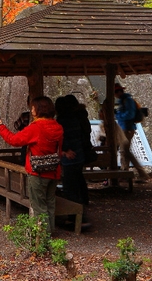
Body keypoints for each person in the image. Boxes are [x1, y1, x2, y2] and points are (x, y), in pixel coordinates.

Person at [0, 96, 63, 232]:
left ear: (38, 110)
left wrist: (1, 127)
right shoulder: (58, 127)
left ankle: (43, 238)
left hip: (37, 172)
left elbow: (14, 140)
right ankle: (51, 233)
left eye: (33, 108)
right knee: (50, 203)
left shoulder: (36, 128)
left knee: (38, 206)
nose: (31, 111)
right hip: (54, 170)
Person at [55, 95, 93, 230]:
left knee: (70, 188)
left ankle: (77, 217)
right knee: (78, 182)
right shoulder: (77, 118)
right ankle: (82, 207)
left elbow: (61, 137)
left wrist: (64, 150)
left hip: (70, 158)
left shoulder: (62, 121)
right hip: (80, 155)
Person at [114, 83, 148, 181]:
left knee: (125, 151)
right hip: (124, 128)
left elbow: (129, 115)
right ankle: (125, 173)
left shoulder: (127, 100)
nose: (115, 95)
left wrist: (118, 115)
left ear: (119, 92)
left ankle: (141, 173)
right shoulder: (123, 101)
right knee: (124, 152)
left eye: (115, 92)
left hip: (127, 128)